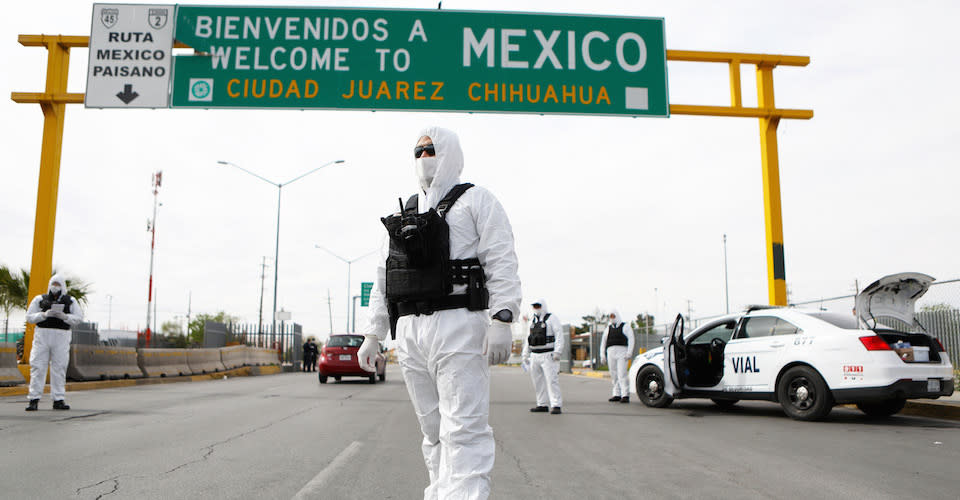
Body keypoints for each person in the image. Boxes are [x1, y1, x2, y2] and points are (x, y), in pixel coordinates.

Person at [359, 126, 521, 500]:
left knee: (464, 428)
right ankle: (439, 493)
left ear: (449, 152)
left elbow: (501, 259)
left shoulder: (477, 201)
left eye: (430, 150)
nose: (423, 158)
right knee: (432, 430)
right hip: (411, 332)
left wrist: (502, 317)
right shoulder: (403, 214)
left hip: (459, 325)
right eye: (417, 152)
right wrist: (373, 333)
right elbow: (384, 276)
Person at [24, 274, 84, 411]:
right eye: (53, 283)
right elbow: (29, 317)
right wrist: (43, 315)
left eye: (58, 284)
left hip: (61, 337)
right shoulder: (40, 299)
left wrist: (65, 317)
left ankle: (58, 399)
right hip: (42, 336)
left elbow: (78, 317)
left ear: (63, 286)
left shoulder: (71, 301)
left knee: (60, 367)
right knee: (38, 366)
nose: (55, 287)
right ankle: (33, 399)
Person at [522, 299, 564, 414]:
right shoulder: (533, 321)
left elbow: (559, 335)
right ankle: (542, 404)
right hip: (534, 355)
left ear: (543, 306)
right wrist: (525, 354)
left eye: (538, 305)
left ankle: (556, 404)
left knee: (552, 380)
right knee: (537, 381)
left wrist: (558, 352)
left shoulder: (551, 319)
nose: (536, 308)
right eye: (534, 306)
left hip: (548, 355)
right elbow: (528, 338)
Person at [600, 310, 634, 403]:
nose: (612, 318)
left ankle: (625, 394)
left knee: (622, 373)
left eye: (613, 316)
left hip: (622, 352)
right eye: (610, 316)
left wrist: (629, 352)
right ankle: (616, 394)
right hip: (610, 352)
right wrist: (602, 355)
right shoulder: (608, 329)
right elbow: (603, 342)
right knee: (613, 373)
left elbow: (631, 339)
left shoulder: (625, 326)